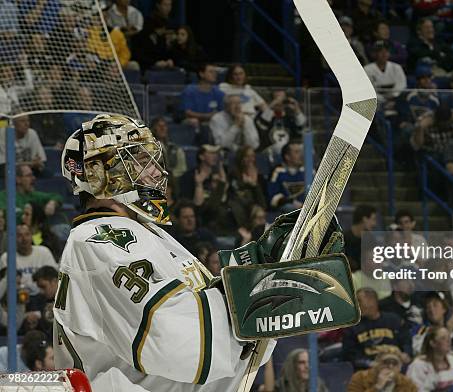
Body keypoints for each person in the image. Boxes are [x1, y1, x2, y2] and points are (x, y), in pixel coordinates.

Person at [54, 114, 348, 391]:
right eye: (140, 162)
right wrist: (260, 281)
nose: (157, 172)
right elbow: (177, 339)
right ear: (98, 174)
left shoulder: (145, 234)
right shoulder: (99, 240)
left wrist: (264, 265)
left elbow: (210, 310)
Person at [342, 288, 408, 370]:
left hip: (395, 364)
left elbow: (406, 342)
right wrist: (371, 364)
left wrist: (406, 354)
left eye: (359, 301)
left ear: (372, 301)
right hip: (368, 369)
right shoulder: (352, 327)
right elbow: (351, 356)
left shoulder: (394, 320)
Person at [0, 224, 55, 295]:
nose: (24, 238)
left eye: (27, 234)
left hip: (43, 297)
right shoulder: (7, 257)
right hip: (18, 298)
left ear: (32, 236)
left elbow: (54, 279)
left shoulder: (44, 252)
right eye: (19, 235)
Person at [406, 326, 453, 391]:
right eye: (443, 338)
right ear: (433, 343)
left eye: (449, 337)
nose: (448, 341)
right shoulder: (418, 365)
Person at [253, 90, 306, 156]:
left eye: (283, 99)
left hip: (288, 150)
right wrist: (272, 106)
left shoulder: (289, 118)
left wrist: (297, 109)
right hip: (268, 150)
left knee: (308, 149)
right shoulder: (264, 115)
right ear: (272, 100)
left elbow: (301, 127)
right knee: (280, 145)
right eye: (277, 98)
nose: (280, 102)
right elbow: (262, 126)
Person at [228, 146, 267, 228]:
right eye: (247, 156)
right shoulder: (234, 175)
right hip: (241, 207)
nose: (250, 159)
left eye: (252, 156)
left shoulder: (260, 176)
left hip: (258, 206)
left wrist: (254, 185)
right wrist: (244, 183)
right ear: (241, 158)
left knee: (259, 213)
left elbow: (263, 202)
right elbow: (235, 195)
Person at [348, 347, 417, 392]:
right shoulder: (360, 378)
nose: (390, 366)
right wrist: (378, 387)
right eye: (386, 362)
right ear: (377, 364)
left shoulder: (407, 384)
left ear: (400, 367)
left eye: (394, 363)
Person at [262, 349, 329, 392]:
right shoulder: (281, 385)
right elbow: (269, 389)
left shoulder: (318, 384)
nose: (307, 366)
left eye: (309, 362)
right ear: (292, 365)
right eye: (302, 362)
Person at [364, 41, 407, 107]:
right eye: (380, 51)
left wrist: (393, 97)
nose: (384, 54)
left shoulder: (396, 67)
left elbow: (401, 85)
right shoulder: (367, 69)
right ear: (374, 54)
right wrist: (382, 100)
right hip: (376, 102)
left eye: (386, 51)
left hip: (395, 100)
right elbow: (368, 90)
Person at [267, 141, 305, 213]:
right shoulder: (278, 172)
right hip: (287, 208)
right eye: (296, 152)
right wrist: (291, 202)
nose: (301, 155)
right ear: (287, 157)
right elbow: (273, 198)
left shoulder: (308, 171)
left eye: (300, 152)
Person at [343, 204, 377, 272]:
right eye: (373, 219)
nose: (374, 224)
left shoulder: (370, 238)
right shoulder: (343, 238)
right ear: (364, 219)